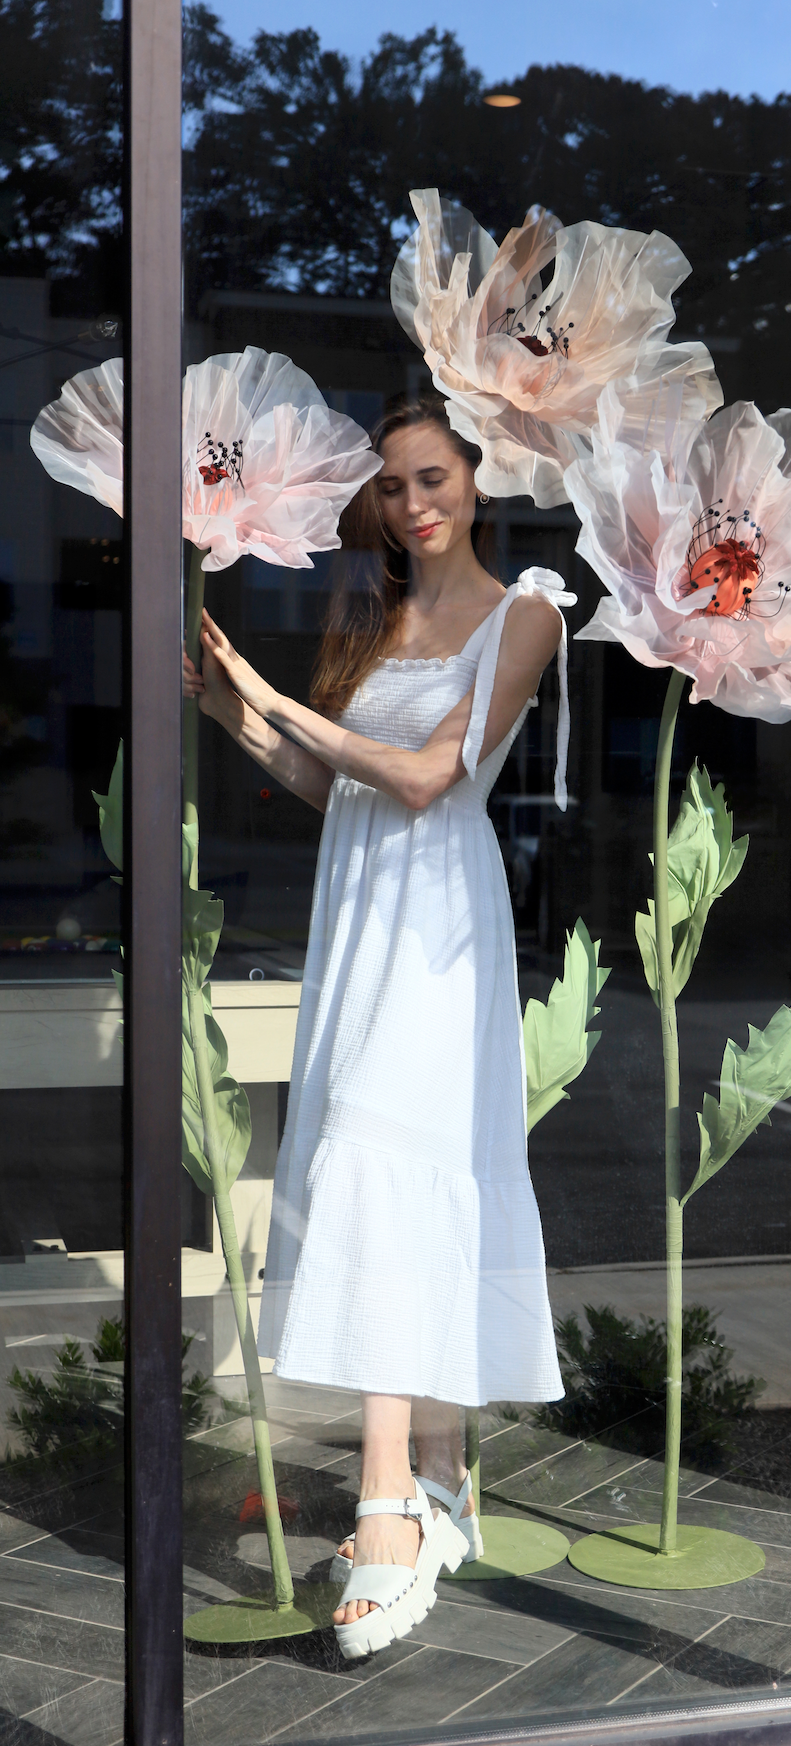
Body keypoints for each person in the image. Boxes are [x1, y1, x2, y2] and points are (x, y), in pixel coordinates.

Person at [183, 393, 570, 1659]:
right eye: (394, 487)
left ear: (476, 479)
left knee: (382, 1168)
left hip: (439, 934)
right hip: (359, 918)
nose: (413, 505)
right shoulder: (382, 620)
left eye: (433, 476)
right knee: (399, 1170)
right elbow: (332, 789)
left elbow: (420, 779)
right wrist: (223, 706)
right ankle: (448, 1481)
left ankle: (389, 1503)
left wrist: (273, 695)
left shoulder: (527, 616)